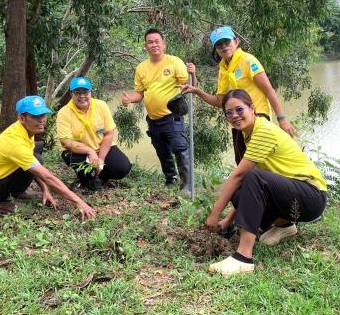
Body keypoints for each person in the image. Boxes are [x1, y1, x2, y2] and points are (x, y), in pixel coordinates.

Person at [206, 89, 327, 276]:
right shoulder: (248, 133)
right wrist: (227, 220)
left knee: (252, 177)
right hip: (292, 196)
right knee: (242, 190)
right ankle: (285, 226)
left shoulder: (263, 131)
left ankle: (243, 258)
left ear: (252, 108)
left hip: (311, 196)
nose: (234, 116)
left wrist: (214, 215)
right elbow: (249, 186)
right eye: (229, 113)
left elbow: (239, 176)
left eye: (239, 110)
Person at [179, 25, 295, 164]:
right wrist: (197, 91)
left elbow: (268, 89)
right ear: (216, 49)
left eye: (227, 42)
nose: (224, 46)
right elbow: (220, 101)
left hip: (257, 118)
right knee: (241, 163)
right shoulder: (223, 68)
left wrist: (282, 119)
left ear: (236, 42)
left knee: (259, 165)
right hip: (237, 121)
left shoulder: (247, 60)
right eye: (219, 44)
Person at [0, 96, 96, 221]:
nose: (41, 120)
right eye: (35, 116)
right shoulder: (14, 141)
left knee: (37, 158)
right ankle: (2, 202)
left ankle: (17, 193)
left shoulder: (26, 131)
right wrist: (79, 202)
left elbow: (34, 165)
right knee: (37, 162)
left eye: (43, 115)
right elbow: (47, 176)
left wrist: (45, 190)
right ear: (22, 118)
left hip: (0, 178)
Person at [122, 28, 194, 192]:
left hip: (172, 116)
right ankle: (171, 179)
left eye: (157, 41)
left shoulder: (174, 62)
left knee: (180, 149)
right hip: (153, 119)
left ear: (163, 44)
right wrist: (129, 99)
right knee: (162, 151)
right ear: (145, 46)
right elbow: (139, 94)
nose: (154, 44)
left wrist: (193, 75)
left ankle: (187, 187)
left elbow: (189, 86)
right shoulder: (141, 68)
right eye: (150, 42)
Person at [56, 77, 132, 191]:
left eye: (85, 92)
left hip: (103, 147)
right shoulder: (64, 112)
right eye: (77, 93)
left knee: (122, 167)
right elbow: (65, 142)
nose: (82, 96)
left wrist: (100, 158)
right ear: (71, 94)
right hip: (81, 151)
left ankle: (101, 176)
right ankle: (84, 180)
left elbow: (108, 133)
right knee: (71, 158)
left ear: (90, 92)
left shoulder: (101, 105)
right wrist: (90, 151)